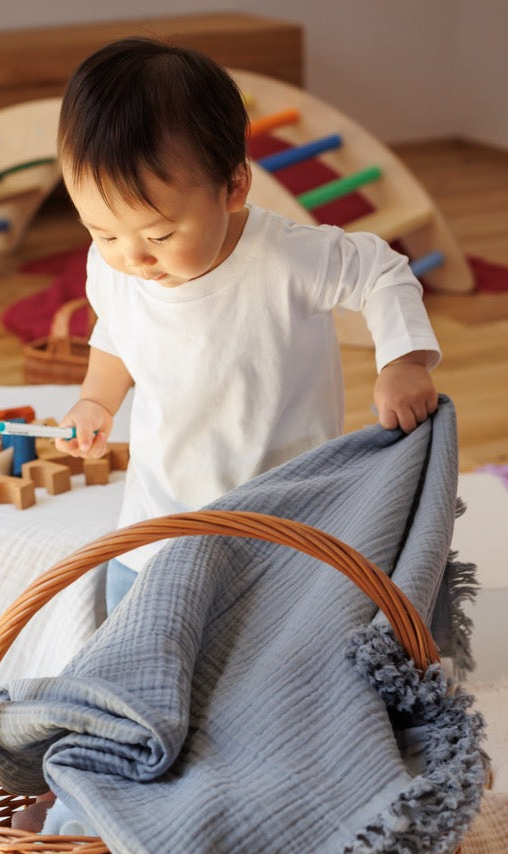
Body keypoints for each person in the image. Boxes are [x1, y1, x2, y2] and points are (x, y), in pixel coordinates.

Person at [55, 37, 441, 612]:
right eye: (103, 233)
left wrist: (403, 362)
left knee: (276, 641)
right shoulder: (114, 269)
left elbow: (382, 272)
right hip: (160, 513)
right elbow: (118, 327)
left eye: (159, 235)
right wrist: (96, 401)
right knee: (125, 627)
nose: (131, 257)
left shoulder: (285, 259)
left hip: (285, 514)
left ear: (234, 187)